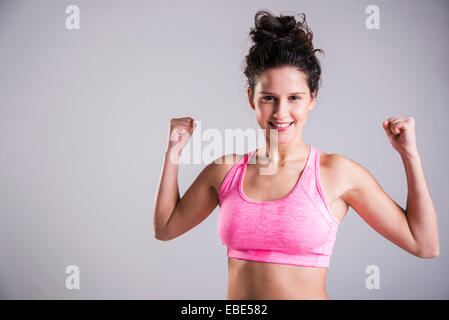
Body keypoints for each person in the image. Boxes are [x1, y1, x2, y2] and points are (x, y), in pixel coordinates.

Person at [152, 10, 439, 300]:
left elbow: (424, 245)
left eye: (294, 98)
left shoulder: (336, 173)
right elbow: (165, 228)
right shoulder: (226, 171)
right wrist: (173, 152)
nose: (280, 113)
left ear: (312, 98)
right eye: (269, 98)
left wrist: (409, 155)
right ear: (251, 98)